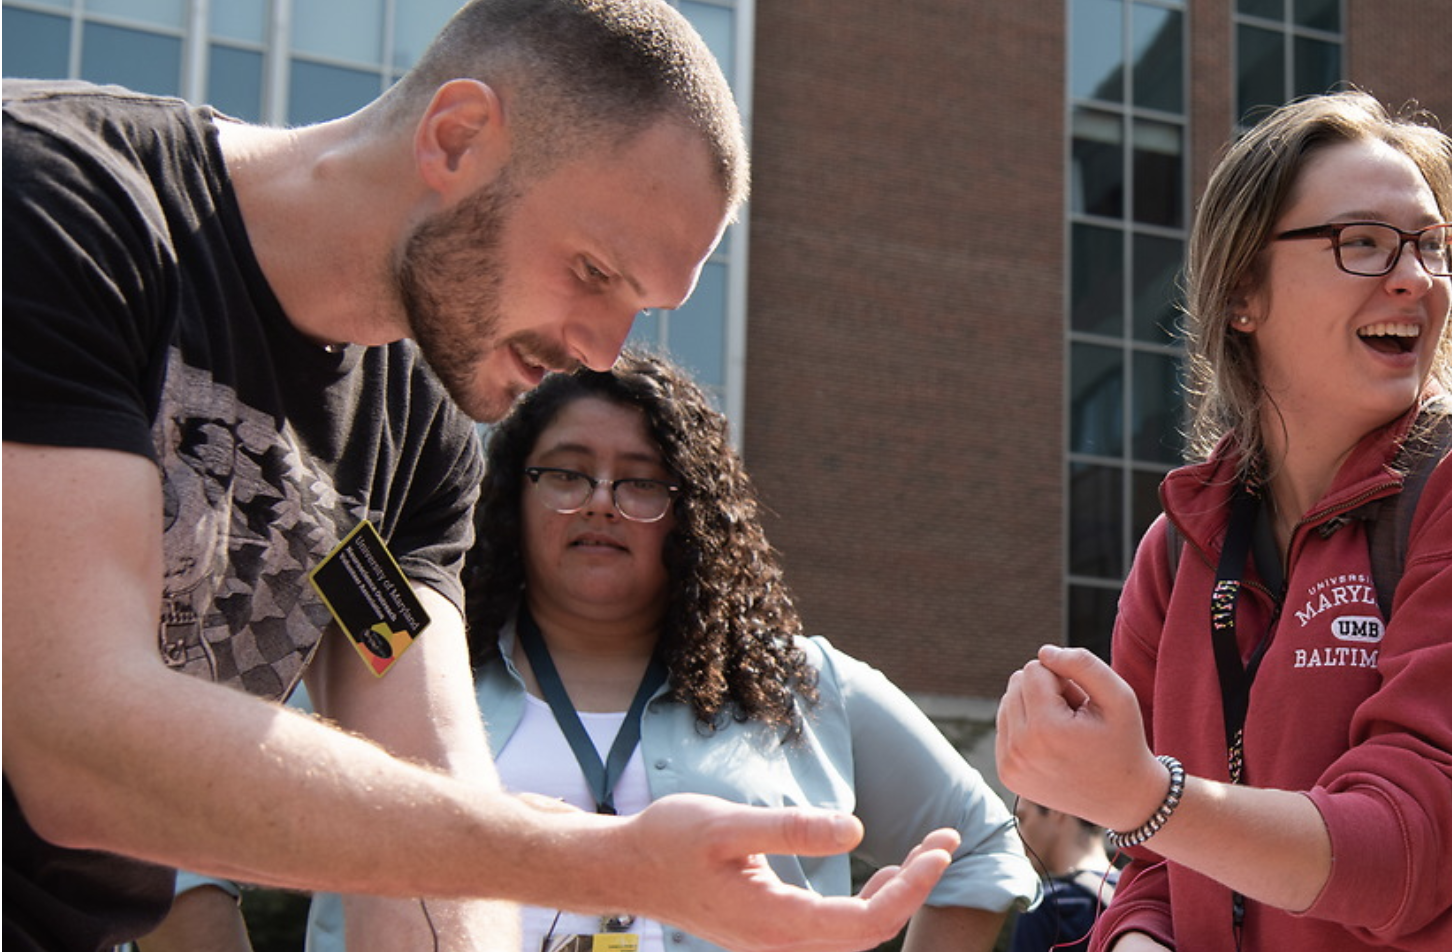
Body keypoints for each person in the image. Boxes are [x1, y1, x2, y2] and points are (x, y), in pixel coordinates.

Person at [2, 1, 955, 949]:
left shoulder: (412, 443)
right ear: (457, 138)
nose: (599, 356)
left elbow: (428, 784)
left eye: (643, 309)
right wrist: (602, 861)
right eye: (592, 270)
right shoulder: (59, 209)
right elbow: (73, 742)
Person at [995, 89, 1452, 952]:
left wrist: (1146, 795)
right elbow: (1159, 871)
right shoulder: (1180, 550)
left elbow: (1430, 851)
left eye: (1432, 245)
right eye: (1362, 243)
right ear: (1241, 295)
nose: (1415, 276)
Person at [280, 352, 1030, 951]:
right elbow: (196, 817)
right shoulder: (405, 665)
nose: (601, 500)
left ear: (691, 517)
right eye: (568, 473)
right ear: (512, 495)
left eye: (640, 482)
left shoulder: (804, 683)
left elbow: (984, 843)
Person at [1010, 799, 1113, 952]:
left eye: (1022, 819)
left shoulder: (1046, 906)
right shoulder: (1142, 891)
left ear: (1055, 809)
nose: (1016, 835)